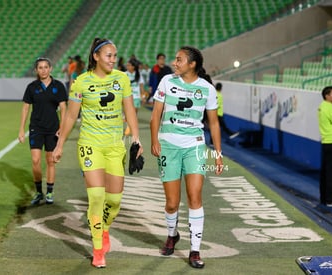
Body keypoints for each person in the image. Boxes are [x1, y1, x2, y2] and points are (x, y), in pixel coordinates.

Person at [52, 38, 143, 268]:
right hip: (90, 144)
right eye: (108, 55)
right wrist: (60, 143)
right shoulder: (80, 82)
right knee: (96, 197)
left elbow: (129, 108)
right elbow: (71, 116)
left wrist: (136, 138)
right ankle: (97, 249)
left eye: (114, 55)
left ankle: (104, 229)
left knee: (114, 201)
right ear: (96, 56)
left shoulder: (121, 79)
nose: (113, 59)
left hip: (115, 146)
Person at [150, 46, 223, 269]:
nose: (175, 62)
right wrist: (155, 140)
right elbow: (156, 116)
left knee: (195, 197)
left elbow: (213, 123)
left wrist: (218, 154)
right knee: (172, 203)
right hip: (169, 146)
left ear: (192, 64)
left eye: (179, 59)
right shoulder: (166, 82)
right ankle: (172, 235)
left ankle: (195, 250)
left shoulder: (207, 89)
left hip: (195, 146)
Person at [18, 57, 67, 205]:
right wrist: (21, 129)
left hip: (53, 129)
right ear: (36, 70)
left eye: (46, 67)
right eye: (40, 68)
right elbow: (26, 108)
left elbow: (64, 108)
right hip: (36, 128)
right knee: (35, 160)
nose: (43, 70)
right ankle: (39, 192)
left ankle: (50, 192)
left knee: (51, 161)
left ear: (50, 69)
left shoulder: (58, 86)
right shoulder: (32, 87)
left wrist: (62, 127)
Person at [318, 86, 332, 207]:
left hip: (326, 142)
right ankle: (330, 199)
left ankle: (324, 198)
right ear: (327, 95)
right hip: (331, 141)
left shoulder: (322, 106)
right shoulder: (329, 108)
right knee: (330, 172)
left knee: (326, 172)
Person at [124, 58, 144, 135]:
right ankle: (129, 126)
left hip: (136, 96)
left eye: (129, 65)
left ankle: (130, 127)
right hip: (127, 97)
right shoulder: (124, 74)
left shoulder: (138, 75)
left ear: (133, 67)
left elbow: (141, 85)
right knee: (128, 113)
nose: (127, 66)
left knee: (134, 113)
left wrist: (142, 95)